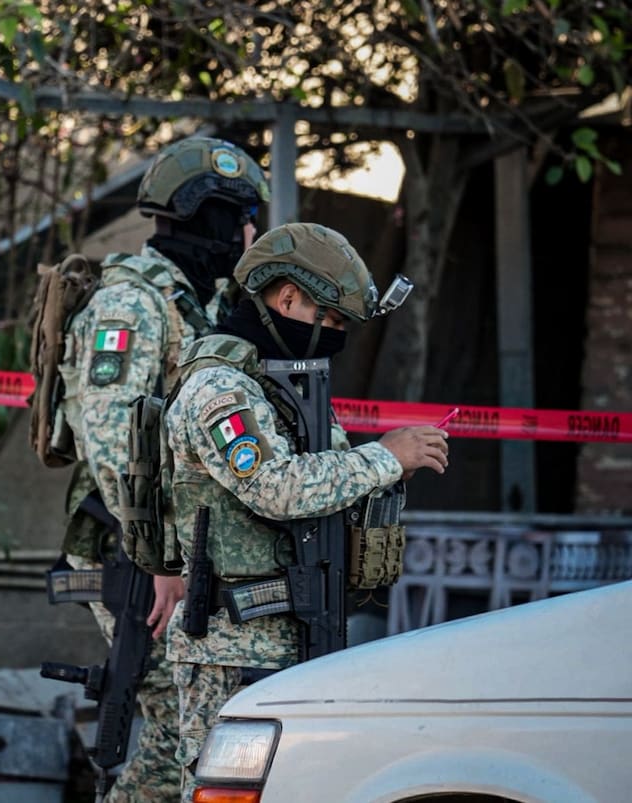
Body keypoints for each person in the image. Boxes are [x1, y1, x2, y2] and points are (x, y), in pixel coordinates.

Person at [162, 222, 449, 801]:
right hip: (230, 646)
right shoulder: (222, 389)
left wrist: (389, 469)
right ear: (288, 298)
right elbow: (278, 488)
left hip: (290, 635)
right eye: (334, 320)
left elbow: (333, 479)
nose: (337, 337)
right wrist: (385, 457)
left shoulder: (278, 386)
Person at [54, 136, 269, 800]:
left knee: (195, 730)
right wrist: (160, 558)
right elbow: (111, 438)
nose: (250, 233)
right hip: (134, 553)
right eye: (240, 217)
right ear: (206, 215)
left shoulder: (197, 303)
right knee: (187, 726)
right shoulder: (132, 306)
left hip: (182, 553)